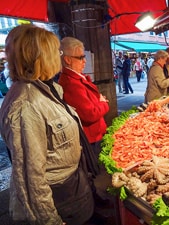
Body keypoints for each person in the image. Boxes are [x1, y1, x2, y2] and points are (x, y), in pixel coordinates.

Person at [0, 24, 94, 225]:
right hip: (59, 197)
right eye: (56, 51)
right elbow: (30, 177)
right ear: (39, 57)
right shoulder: (26, 104)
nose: (59, 57)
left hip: (73, 185)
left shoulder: (46, 88)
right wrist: (50, 221)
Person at [59, 37, 109, 158]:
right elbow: (89, 114)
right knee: (96, 170)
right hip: (90, 139)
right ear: (67, 59)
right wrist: (103, 103)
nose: (84, 61)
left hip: (96, 134)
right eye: (80, 57)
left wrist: (98, 102)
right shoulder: (71, 83)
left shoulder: (78, 77)